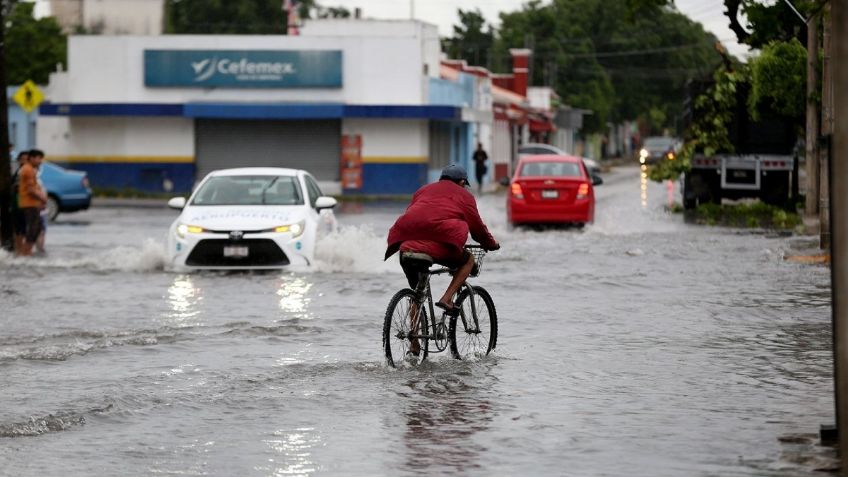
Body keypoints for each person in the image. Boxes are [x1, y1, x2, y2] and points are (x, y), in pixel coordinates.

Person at [384, 164, 500, 356]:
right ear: (462, 182)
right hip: (436, 246)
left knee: (418, 294)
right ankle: (447, 299)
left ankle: (414, 343)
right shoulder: (464, 196)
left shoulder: (422, 191)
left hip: (407, 248)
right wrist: (491, 243)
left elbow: (415, 216)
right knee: (468, 260)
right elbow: (477, 229)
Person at [17, 149, 48, 256]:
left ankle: (26, 251)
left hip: (31, 204)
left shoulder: (29, 169)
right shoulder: (28, 170)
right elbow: (31, 189)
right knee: (33, 228)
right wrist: (43, 198)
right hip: (29, 204)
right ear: (32, 158)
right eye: (39, 159)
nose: (40, 161)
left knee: (37, 227)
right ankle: (26, 252)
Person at [10, 151, 29, 254]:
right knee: (19, 229)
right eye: (22, 159)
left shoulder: (28, 171)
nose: (24, 161)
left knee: (23, 229)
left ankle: (22, 251)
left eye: (26, 159)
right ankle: (20, 250)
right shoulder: (18, 171)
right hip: (18, 203)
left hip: (25, 204)